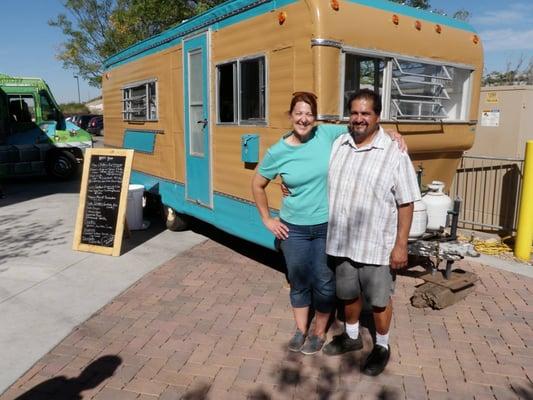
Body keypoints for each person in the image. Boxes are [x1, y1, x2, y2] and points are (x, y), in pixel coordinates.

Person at [251, 92, 405, 355]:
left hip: (326, 226)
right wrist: (267, 218)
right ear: (290, 116)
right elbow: (257, 184)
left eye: (309, 113)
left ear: (315, 117)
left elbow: (361, 124)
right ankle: (300, 330)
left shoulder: (327, 135)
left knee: (324, 281)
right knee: (298, 280)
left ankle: (319, 332)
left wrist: (391, 131)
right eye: (298, 113)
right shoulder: (277, 151)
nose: (304, 118)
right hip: (293, 228)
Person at [323, 89, 420, 376]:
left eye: (366, 113)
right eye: (354, 113)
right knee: (348, 294)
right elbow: (306, 132)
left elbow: (406, 201)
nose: (359, 118)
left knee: (379, 300)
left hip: (377, 246)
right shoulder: (339, 143)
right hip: (343, 241)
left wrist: (401, 245)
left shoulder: (395, 152)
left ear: (377, 116)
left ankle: (382, 346)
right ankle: (352, 338)